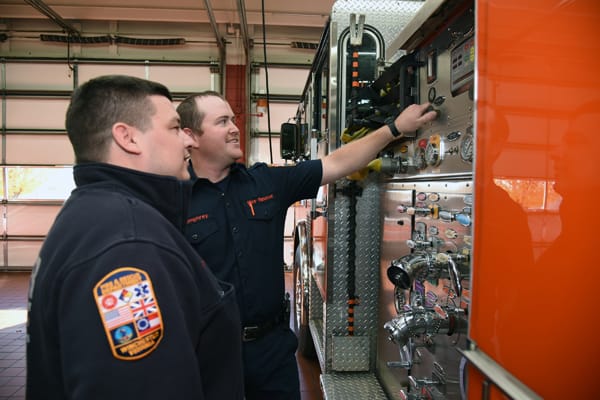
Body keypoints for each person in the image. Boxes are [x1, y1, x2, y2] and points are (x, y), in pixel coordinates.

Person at [177, 90, 436, 400]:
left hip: (271, 351)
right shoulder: (173, 199)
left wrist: (394, 128)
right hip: (210, 351)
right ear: (191, 136)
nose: (234, 127)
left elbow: (337, 163)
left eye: (233, 119)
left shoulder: (266, 183)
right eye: (222, 121)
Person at [26, 75, 244, 399]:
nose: (188, 141)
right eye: (174, 128)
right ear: (128, 138)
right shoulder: (130, 247)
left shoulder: (91, 215)